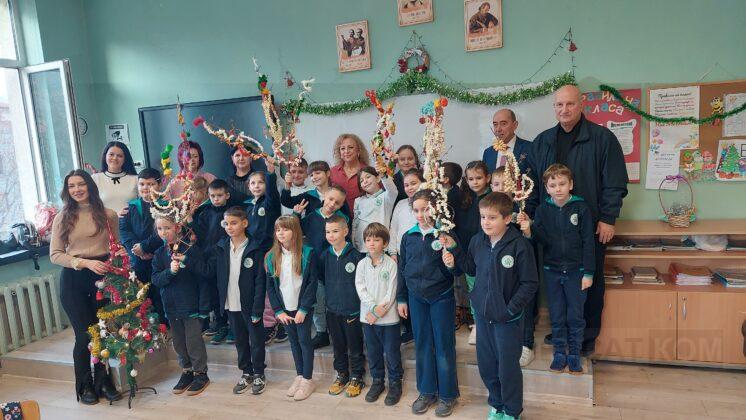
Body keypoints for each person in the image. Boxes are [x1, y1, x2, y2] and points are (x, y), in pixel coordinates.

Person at [526, 84, 628, 356]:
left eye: (570, 104)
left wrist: (608, 218)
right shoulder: (543, 141)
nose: (564, 109)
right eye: (559, 105)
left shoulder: (602, 138)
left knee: (589, 283)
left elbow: (615, 182)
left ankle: (586, 337)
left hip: (588, 228)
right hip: (552, 230)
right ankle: (563, 331)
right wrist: (532, 218)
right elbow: (533, 184)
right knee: (558, 285)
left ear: (581, 104)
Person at [441, 192, 538, 420]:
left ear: (507, 219)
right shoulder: (477, 241)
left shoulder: (520, 246)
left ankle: (512, 411)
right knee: (487, 367)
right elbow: (470, 268)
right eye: (483, 217)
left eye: (492, 218)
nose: (486, 222)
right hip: (483, 318)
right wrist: (454, 253)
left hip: (508, 321)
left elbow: (530, 284)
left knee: (507, 369)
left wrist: (510, 309)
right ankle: (497, 404)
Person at [50, 169, 121, 404]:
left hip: (102, 279)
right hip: (74, 279)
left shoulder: (109, 215)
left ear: (90, 185)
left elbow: (115, 246)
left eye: (81, 184)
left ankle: (103, 382)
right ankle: (85, 385)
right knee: (84, 336)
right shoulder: (63, 217)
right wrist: (86, 263)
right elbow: (55, 255)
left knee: (102, 333)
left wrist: (119, 256)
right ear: (67, 190)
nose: (77, 189)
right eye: (71, 186)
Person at [519, 164, 595, 375]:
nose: (558, 188)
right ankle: (560, 352)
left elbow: (589, 243)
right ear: (547, 188)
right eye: (553, 185)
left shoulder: (581, 208)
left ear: (571, 184)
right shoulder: (543, 210)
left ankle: (574, 353)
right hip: (552, 271)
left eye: (562, 184)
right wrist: (529, 230)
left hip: (577, 271)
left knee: (576, 315)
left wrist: (588, 273)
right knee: (557, 314)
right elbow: (541, 240)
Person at [397, 189, 459, 417]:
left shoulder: (444, 235)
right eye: (416, 210)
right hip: (416, 298)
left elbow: (457, 269)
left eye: (425, 209)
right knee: (422, 344)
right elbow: (402, 269)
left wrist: (451, 261)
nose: (421, 214)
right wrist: (401, 297)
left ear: (435, 209)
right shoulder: (408, 236)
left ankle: (448, 395)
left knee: (443, 345)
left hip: (441, 297)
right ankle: (426, 391)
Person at [205, 206, 268, 395]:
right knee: (240, 341)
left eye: (234, 223)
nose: (229, 227)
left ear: (244, 223)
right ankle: (246, 372)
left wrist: (258, 307)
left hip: (250, 305)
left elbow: (260, 281)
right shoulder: (221, 247)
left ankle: (259, 373)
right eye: (226, 224)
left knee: (256, 341)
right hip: (231, 303)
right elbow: (210, 272)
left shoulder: (255, 248)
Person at [151, 214, 210, 396]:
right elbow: (156, 280)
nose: (163, 232)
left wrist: (203, 307)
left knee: (193, 341)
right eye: (159, 229)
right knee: (178, 342)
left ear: (177, 228)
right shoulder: (159, 254)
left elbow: (204, 275)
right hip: (171, 306)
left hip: (190, 305)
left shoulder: (190, 249)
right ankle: (187, 370)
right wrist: (169, 272)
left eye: (167, 228)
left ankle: (201, 373)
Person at [265, 216, 319, 401]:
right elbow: (271, 288)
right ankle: (299, 375)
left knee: (304, 341)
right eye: (278, 229)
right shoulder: (271, 256)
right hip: (285, 310)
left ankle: (308, 379)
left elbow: (312, 283)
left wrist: (304, 308)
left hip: (302, 308)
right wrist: (278, 311)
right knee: (294, 342)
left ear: (295, 231)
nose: (281, 233)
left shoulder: (308, 253)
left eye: (285, 229)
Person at [293, 185, 350, 349]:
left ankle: (339, 333)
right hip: (314, 268)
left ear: (341, 205)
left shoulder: (342, 220)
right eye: (330, 199)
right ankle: (321, 333)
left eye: (337, 203)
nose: (332, 204)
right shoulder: (312, 216)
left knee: (335, 301)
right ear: (324, 196)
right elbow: (296, 230)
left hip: (334, 268)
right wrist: (296, 214)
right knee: (317, 301)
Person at [356, 223, 403, 406]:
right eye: (368, 240)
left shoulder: (391, 264)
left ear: (385, 243)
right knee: (373, 351)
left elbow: (391, 292)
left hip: (388, 318)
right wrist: (373, 309)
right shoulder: (362, 264)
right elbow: (361, 288)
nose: (372, 243)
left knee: (391, 352)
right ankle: (377, 381)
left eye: (376, 240)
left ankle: (395, 383)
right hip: (368, 318)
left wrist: (378, 311)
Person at [319, 214, 366, 398]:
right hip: (332, 310)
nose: (331, 235)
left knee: (355, 347)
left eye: (335, 231)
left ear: (345, 231)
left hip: (352, 310)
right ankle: (342, 375)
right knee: (338, 346)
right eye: (327, 232)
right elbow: (322, 278)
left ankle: (357, 376)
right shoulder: (325, 256)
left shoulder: (356, 256)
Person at [119, 168, 166, 322]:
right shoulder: (130, 207)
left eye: (151, 184)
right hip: (138, 260)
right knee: (142, 294)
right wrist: (137, 249)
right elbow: (124, 231)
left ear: (159, 185)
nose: (146, 188)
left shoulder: (166, 206)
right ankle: (149, 327)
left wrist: (144, 247)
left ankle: (164, 323)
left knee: (160, 293)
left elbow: (162, 232)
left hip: (160, 257)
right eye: (142, 184)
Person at [455, 160, 491, 346]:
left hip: (488, 251)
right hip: (469, 252)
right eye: (471, 179)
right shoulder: (464, 199)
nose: (475, 182)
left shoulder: (492, 198)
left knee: (489, 287)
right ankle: (477, 324)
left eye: (479, 178)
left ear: (487, 178)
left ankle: (489, 323)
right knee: (473, 288)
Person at [387, 169, 423, 345]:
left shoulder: (429, 203)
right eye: (406, 185)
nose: (409, 187)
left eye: (413, 183)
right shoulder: (401, 204)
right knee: (404, 291)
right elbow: (393, 228)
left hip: (422, 255)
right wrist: (393, 252)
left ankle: (421, 328)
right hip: (403, 255)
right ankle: (410, 329)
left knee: (418, 292)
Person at [196, 179, 231, 345]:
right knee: (214, 292)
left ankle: (230, 326)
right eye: (212, 196)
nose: (216, 199)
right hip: (209, 258)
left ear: (227, 195)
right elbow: (199, 235)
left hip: (225, 257)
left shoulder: (232, 212)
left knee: (227, 292)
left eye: (219, 195)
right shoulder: (204, 213)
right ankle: (220, 323)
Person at [351, 166, 398, 252]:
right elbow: (355, 224)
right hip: (362, 248)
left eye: (368, 177)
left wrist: (383, 176)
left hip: (381, 247)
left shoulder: (386, 197)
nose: (365, 181)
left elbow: (392, 190)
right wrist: (354, 243)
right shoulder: (358, 201)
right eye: (361, 181)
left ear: (377, 178)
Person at [91, 141, 138, 213]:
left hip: (131, 219)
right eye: (111, 154)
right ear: (105, 156)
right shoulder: (95, 179)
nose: (115, 158)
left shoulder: (136, 179)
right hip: (104, 220)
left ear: (125, 159)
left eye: (120, 156)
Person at [245, 159, 281, 252]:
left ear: (267, 184)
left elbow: (271, 191)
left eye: (261, 182)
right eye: (253, 183)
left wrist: (270, 172)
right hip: (252, 248)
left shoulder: (270, 202)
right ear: (249, 187)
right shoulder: (248, 206)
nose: (256, 186)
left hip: (269, 248)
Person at [330, 133, 370, 211]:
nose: (346, 151)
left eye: (350, 147)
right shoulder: (332, 172)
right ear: (339, 152)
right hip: (337, 216)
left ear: (359, 149)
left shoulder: (369, 171)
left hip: (362, 216)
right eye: (342, 148)